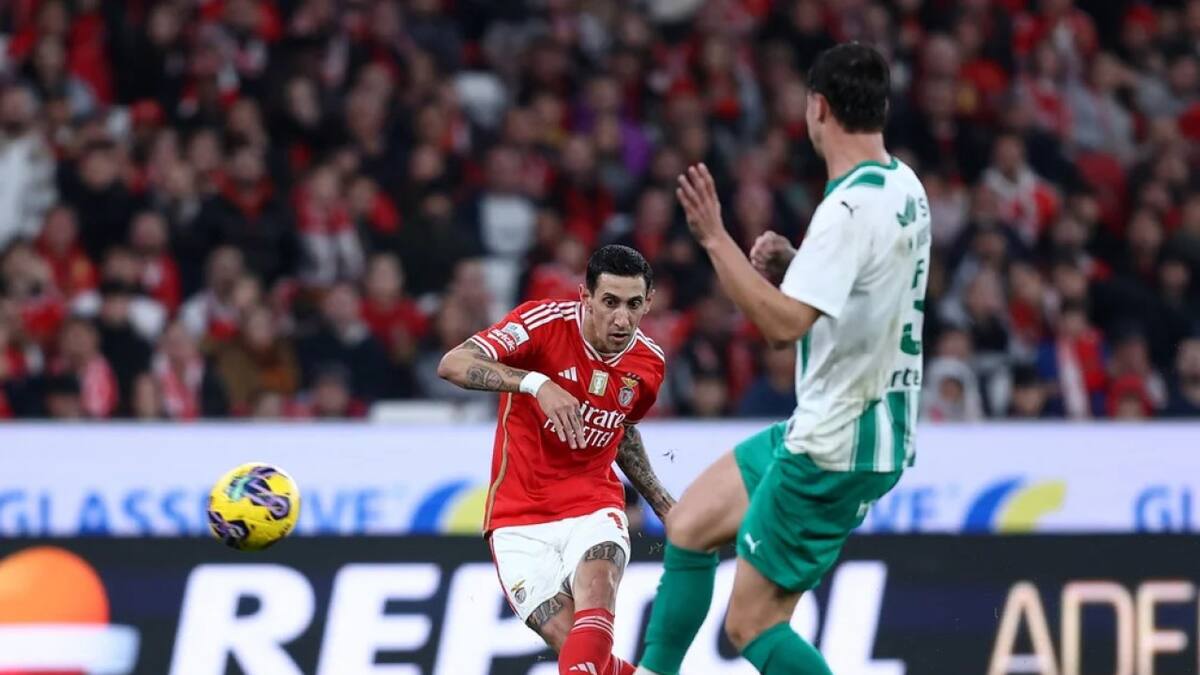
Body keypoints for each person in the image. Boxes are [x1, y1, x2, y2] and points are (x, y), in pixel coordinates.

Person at [636, 43, 930, 675]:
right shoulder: (903, 186)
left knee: (752, 625)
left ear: (816, 109)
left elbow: (780, 328)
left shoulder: (847, 209)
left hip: (833, 447)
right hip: (854, 421)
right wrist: (803, 267)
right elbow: (872, 291)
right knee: (688, 524)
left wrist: (717, 241)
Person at [437, 244, 674, 675]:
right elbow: (453, 364)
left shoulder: (649, 364)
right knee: (580, 654)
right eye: (610, 302)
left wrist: (664, 505)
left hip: (592, 504)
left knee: (598, 585)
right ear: (585, 297)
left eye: (634, 304)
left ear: (649, 303)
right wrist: (534, 383)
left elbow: (621, 430)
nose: (622, 319)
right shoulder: (540, 325)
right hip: (518, 518)